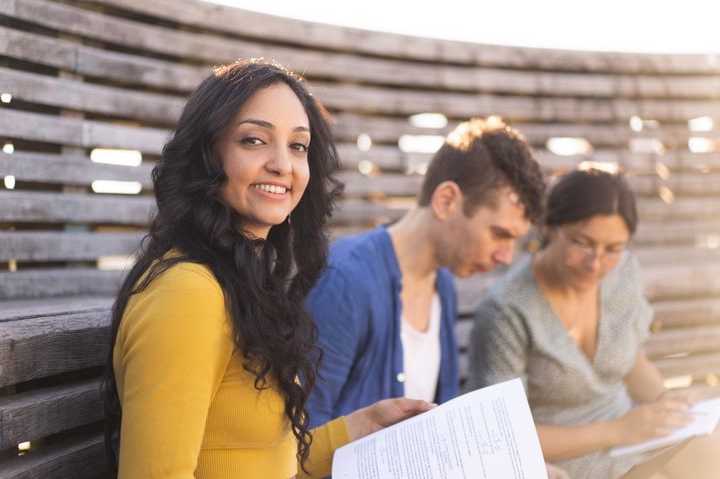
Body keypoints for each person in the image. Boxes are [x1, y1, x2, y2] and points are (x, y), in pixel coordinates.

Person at [102, 59, 434, 479]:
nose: (283, 164)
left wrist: (363, 426)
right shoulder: (189, 292)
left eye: (298, 146)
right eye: (254, 140)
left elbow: (260, 464)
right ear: (208, 155)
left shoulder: (243, 284)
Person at [466, 167, 720, 479]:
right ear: (548, 225)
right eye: (581, 243)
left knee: (714, 452)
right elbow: (500, 438)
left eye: (613, 249)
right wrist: (617, 431)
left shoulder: (622, 273)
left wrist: (665, 403)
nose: (596, 263)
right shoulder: (506, 311)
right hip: (560, 459)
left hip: (631, 435)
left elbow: (630, 358)